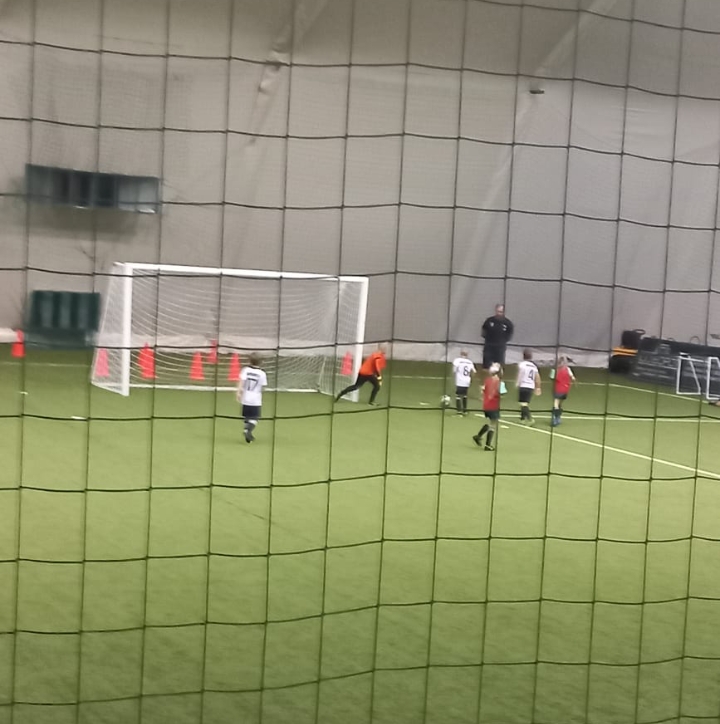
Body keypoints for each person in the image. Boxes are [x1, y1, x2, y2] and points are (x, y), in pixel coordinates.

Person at [237, 353, 268, 443]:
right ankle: (247, 430)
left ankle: (247, 430)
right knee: (255, 418)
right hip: (255, 399)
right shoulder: (262, 373)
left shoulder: (245, 370)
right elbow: (263, 387)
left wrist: (238, 393)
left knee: (247, 417)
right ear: (261, 362)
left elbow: (241, 382)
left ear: (249, 361)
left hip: (245, 398)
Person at [473, 362, 501, 451]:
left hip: (486, 405)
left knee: (490, 422)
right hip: (494, 405)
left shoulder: (487, 380)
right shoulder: (499, 382)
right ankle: (488, 445)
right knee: (493, 424)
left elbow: (482, 390)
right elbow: (502, 393)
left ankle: (478, 436)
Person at [481, 304, 514, 368]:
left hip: (500, 346)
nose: (499, 313)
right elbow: (484, 330)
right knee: (487, 362)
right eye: (498, 311)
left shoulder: (507, 323)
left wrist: (504, 340)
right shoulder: (489, 320)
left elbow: (510, 332)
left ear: (503, 312)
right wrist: (487, 338)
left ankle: (498, 372)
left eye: (500, 312)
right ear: (495, 311)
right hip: (489, 345)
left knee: (499, 363)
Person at [517, 348, 541, 425]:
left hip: (523, 385)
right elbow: (537, 377)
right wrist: (538, 387)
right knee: (524, 402)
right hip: (531, 386)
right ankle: (522, 419)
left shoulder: (522, 365)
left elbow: (521, 374)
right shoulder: (534, 366)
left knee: (523, 403)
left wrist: (518, 383)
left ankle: (530, 419)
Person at [551, 356, 575, 427]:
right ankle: (558, 417)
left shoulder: (555, 369)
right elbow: (573, 378)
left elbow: (552, 377)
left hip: (558, 389)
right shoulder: (568, 369)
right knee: (560, 404)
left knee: (556, 403)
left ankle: (555, 418)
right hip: (565, 389)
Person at [452, 350, 476, 416]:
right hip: (467, 381)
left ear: (461, 354)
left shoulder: (457, 360)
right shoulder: (470, 362)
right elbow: (474, 371)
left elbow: (454, 370)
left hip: (460, 381)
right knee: (465, 395)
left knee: (458, 395)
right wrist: (471, 379)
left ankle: (459, 410)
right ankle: (465, 410)